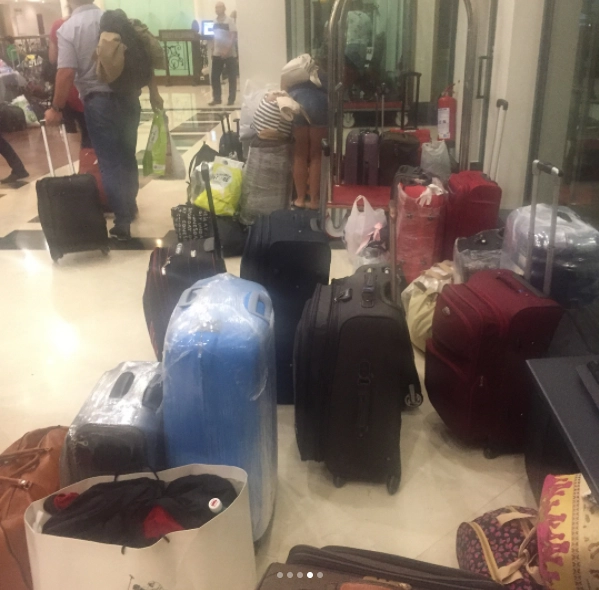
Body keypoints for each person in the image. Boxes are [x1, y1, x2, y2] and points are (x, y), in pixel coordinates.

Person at [44, 0, 164, 241]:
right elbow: (141, 58)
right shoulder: (116, 19)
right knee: (127, 155)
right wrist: (154, 93)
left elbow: (66, 72)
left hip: (98, 103)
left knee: (109, 162)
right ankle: (129, 205)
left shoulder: (69, 29)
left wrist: (56, 108)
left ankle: (122, 221)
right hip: (129, 98)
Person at [283, 59, 328, 210]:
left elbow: (283, 89)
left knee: (299, 155)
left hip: (296, 101)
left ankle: (300, 199)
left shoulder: (294, 70)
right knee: (317, 155)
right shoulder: (322, 72)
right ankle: (314, 201)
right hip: (319, 103)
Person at [48, 15, 91, 149]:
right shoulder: (101, 20)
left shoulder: (60, 25)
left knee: (86, 137)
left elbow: (53, 58)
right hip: (99, 90)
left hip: (73, 89)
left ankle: (88, 161)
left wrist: (55, 108)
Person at [209, 2, 237, 106]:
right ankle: (217, 98)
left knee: (231, 77)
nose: (217, 9)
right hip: (217, 53)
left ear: (224, 8)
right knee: (215, 76)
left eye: (219, 7)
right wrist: (213, 49)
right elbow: (214, 36)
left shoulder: (229, 20)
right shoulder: (214, 21)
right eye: (216, 7)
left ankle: (231, 99)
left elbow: (232, 36)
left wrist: (226, 50)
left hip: (229, 54)